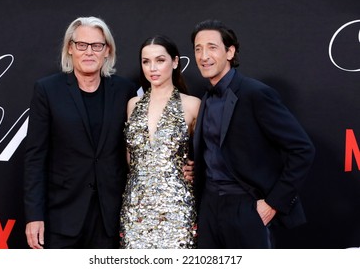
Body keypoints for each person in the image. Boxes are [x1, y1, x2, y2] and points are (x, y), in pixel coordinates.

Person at [190, 19, 315, 249]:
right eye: (198, 49)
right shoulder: (206, 98)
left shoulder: (255, 94)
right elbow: (216, 150)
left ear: (230, 52)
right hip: (209, 206)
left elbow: (302, 149)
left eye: (212, 47)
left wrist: (273, 203)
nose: (203, 55)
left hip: (246, 205)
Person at [24, 16, 139, 249]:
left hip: (112, 218)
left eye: (97, 45)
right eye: (81, 45)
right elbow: (35, 158)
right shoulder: (47, 90)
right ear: (70, 48)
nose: (89, 52)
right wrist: (34, 215)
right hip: (63, 216)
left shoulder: (125, 91)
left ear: (107, 51)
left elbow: (138, 146)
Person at [119, 35, 201, 249]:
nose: (152, 68)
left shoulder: (193, 105)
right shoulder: (132, 105)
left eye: (160, 60)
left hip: (177, 208)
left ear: (175, 62)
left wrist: (197, 169)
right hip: (136, 208)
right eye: (146, 62)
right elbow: (131, 159)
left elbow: (210, 154)